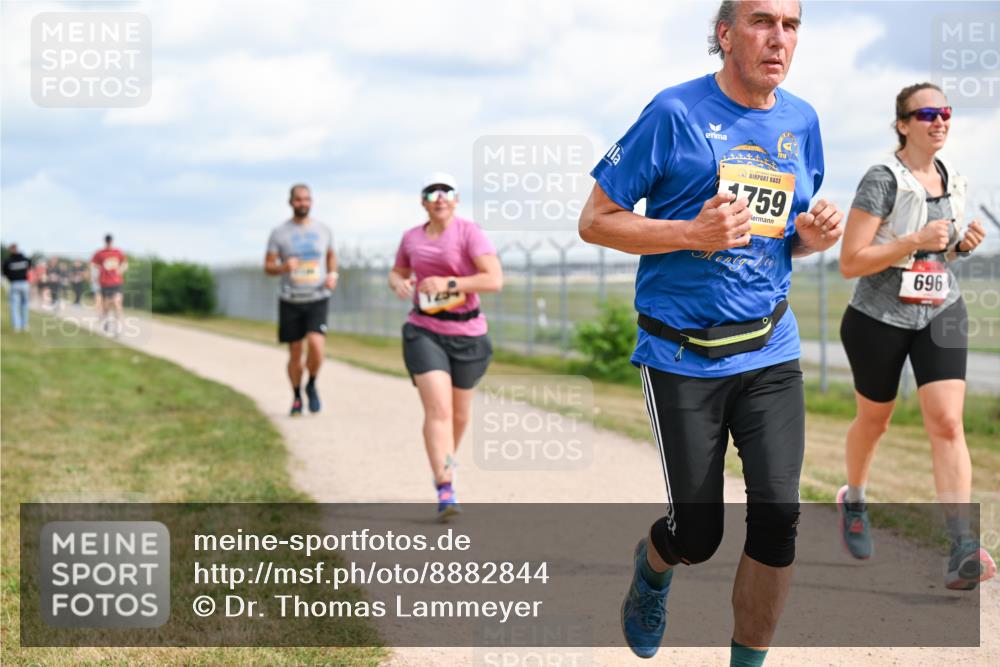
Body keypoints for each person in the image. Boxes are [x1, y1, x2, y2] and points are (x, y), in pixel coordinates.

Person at [578, 1, 843, 663]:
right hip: (682, 354)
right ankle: (654, 567)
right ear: (725, 35)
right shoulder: (674, 113)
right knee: (697, 535)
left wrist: (809, 239)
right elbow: (596, 220)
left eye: (790, 24)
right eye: (761, 21)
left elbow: (783, 235)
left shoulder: (802, 120)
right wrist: (690, 233)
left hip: (769, 348)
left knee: (779, 517)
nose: (777, 37)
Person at [836, 82, 995, 590]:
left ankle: (961, 545)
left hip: (940, 311)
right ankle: (854, 498)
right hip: (877, 318)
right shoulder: (882, 180)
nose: (939, 120)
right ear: (903, 124)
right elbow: (850, 262)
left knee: (947, 422)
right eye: (927, 113)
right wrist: (914, 239)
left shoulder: (952, 177)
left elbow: (936, 258)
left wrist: (958, 248)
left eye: (945, 112)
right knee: (875, 422)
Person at [388, 172, 502, 521]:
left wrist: (450, 282)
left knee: (458, 413)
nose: (439, 197)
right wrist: (398, 283)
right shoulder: (411, 238)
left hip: (467, 333)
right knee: (438, 409)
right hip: (424, 330)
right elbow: (397, 271)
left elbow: (493, 280)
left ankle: (446, 462)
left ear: (456, 200)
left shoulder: (469, 233)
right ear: (423, 201)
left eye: (446, 191)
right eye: (431, 192)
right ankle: (445, 485)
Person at [264, 184, 338, 416]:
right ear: (290, 202)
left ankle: (312, 383)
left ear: (311, 201)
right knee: (295, 352)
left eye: (306, 199)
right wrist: (283, 267)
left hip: (317, 297)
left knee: (316, 346)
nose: (302, 203)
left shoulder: (323, 229)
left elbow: (331, 256)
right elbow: (268, 265)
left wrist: (333, 275)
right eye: (298, 199)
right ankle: (297, 396)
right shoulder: (279, 233)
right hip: (291, 299)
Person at [91, 234, 128, 336]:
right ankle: (106, 321)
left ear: (112, 241)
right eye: (107, 241)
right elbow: (93, 265)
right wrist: (95, 277)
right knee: (106, 306)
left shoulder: (118, 252)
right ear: (105, 241)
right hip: (104, 283)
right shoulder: (100, 253)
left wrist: (120, 270)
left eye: (110, 241)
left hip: (117, 282)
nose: (108, 242)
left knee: (117, 303)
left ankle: (118, 327)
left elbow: (125, 264)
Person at [3, 243, 32, 332]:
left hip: (14, 283)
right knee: (24, 305)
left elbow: (4, 272)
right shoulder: (24, 258)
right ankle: (25, 325)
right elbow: (29, 264)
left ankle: (17, 326)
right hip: (24, 283)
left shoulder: (8, 260)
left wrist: (10, 278)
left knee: (15, 306)